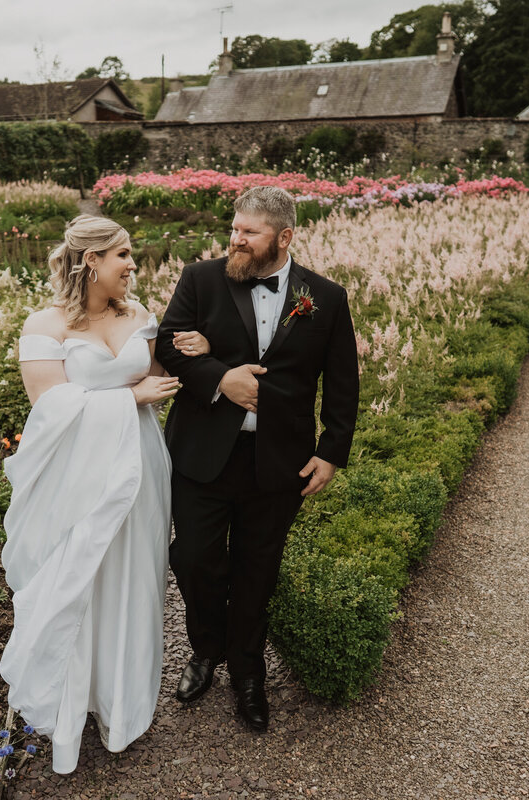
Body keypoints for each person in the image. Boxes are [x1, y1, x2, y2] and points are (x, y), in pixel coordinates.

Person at [0, 214, 209, 774]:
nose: (133, 266)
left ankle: (123, 707)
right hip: (76, 477)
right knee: (79, 582)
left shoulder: (139, 315)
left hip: (140, 466)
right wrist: (131, 397)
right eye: (124, 256)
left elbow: (166, 376)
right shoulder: (45, 325)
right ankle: (71, 705)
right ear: (91, 261)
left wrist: (196, 349)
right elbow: (49, 408)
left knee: (135, 580)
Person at [154, 186, 359, 732]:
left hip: (279, 462)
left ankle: (248, 672)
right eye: (234, 228)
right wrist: (222, 377)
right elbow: (169, 346)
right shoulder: (201, 280)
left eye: (249, 233)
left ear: (284, 237)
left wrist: (331, 453)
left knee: (257, 570)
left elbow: (342, 384)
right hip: (203, 454)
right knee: (194, 557)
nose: (235, 240)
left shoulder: (327, 298)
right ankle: (205, 650)